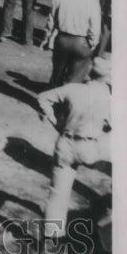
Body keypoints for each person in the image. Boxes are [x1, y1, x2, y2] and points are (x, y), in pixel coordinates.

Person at [36, 56, 111, 239]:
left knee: (58, 193)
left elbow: (42, 98)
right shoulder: (110, 98)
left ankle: (52, 237)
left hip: (66, 144)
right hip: (92, 149)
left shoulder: (73, 89)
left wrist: (53, 120)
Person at [42, 0, 101, 87]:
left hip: (62, 40)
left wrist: (47, 38)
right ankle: (66, 102)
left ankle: (51, 97)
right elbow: (95, 28)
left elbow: (51, 21)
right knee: (74, 78)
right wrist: (92, 43)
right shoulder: (92, 2)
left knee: (57, 73)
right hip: (81, 42)